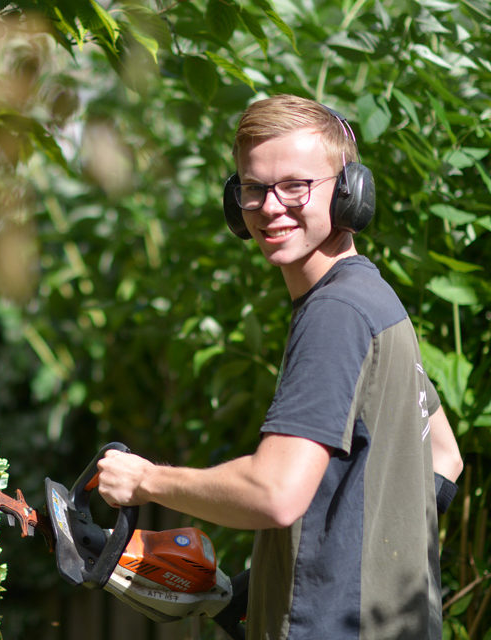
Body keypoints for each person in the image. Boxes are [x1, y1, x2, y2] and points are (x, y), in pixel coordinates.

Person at [96, 94, 463, 640]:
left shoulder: (334, 314)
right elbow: (444, 456)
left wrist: (146, 480)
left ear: (349, 193)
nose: (270, 206)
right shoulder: (375, 301)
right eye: (253, 187)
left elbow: (276, 492)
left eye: (295, 185)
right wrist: (298, 569)